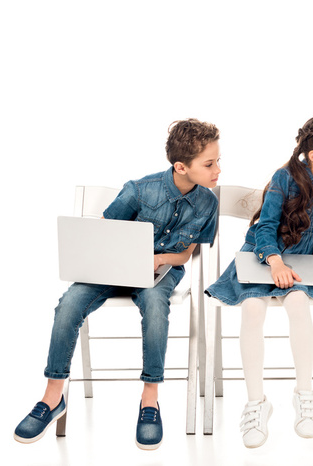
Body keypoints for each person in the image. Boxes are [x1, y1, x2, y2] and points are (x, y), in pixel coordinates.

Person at [14, 119, 221, 450]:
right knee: (68, 304)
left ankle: (149, 399)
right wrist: (125, 261)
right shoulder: (140, 189)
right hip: (111, 268)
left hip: (161, 271)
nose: (217, 170)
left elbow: (187, 253)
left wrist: (160, 260)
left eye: (217, 161)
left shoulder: (208, 203)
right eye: (209, 164)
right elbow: (104, 232)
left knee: (155, 307)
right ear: (181, 166)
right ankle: (53, 397)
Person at [205, 115, 313, 448]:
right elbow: (265, 228)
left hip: (302, 266)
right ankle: (257, 403)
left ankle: (304, 394)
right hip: (264, 258)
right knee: (253, 308)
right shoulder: (283, 178)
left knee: (298, 302)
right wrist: (275, 262)